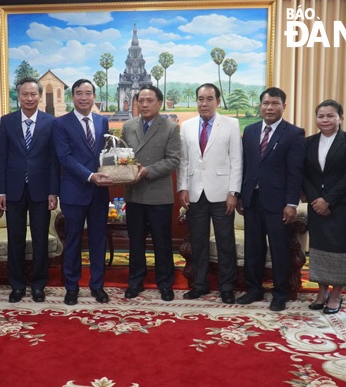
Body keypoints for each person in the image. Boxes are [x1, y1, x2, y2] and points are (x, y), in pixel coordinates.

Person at [236, 87, 305, 312]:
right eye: (266, 103)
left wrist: (291, 203)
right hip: (252, 200)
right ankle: (253, 289)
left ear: (284, 106)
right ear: (260, 105)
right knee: (253, 248)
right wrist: (240, 195)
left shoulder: (294, 133)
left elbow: (295, 172)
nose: (269, 107)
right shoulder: (251, 131)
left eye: (275, 103)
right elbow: (245, 166)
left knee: (279, 249)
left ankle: (280, 293)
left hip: (278, 203)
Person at [177, 83, 242, 303]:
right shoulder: (186, 126)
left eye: (209, 99)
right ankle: (200, 284)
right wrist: (182, 187)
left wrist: (233, 192)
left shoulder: (231, 124)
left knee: (225, 241)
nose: (204, 103)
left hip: (222, 193)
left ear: (218, 101)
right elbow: (184, 160)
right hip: (195, 192)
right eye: (200, 99)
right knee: (198, 242)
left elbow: (236, 160)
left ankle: (226, 287)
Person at [0, 78, 59, 303]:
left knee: (40, 238)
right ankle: (16, 285)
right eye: (25, 94)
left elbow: (54, 160)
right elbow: (2, 158)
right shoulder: (7, 121)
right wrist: (1, 192)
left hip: (41, 191)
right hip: (13, 190)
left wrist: (53, 191)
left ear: (40, 96)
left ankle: (38, 285)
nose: (29, 98)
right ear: (18, 96)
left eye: (33, 94)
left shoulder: (51, 122)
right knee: (16, 239)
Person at [53, 78, 113, 305]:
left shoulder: (102, 122)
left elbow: (105, 154)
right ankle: (72, 286)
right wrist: (89, 176)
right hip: (74, 191)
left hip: (99, 193)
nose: (84, 97)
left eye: (88, 93)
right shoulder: (61, 123)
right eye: (79, 93)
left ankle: (98, 286)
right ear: (73, 97)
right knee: (73, 241)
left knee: (98, 241)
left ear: (94, 97)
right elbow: (64, 157)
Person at [303, 100, 346, 314]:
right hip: (315, 203)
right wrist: (316, 199)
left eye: (330, 115)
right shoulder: (308, 142)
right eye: (321, 116)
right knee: (319, 248)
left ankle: (336, 294)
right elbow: (304, 174)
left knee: (340, 249)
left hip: (341, 205)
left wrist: (328, 200)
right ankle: (322, 292)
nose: (325, 120)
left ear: (341, 118)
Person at [121, 85, 180, 302]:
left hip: (159, 195)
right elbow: (123, 155)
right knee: (135, 242)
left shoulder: (170, 128)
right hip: (134, 194)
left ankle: (165, 283)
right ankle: (136, 281)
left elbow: (174, 159)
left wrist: (147, 171)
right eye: (141, 101)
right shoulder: (128, 126)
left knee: (161, 242)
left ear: (159, 103)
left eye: (149, 100)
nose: (144, 104)